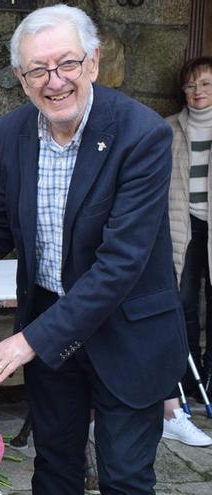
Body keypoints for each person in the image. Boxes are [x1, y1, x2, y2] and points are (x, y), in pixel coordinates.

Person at [0, 5, 188, 494]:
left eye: (67, 63)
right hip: (50, 322)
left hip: (127, 331)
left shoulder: (142, 135)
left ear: (92, 62)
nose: (55, 81)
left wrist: (28, 342)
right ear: (20, 78)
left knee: (126, 479)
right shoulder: (12, 133)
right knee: (54, 469)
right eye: (38, 70)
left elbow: (120, 266)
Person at [159, 56, 212, 447]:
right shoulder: (168, 129)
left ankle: (211, 378)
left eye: (206, 85)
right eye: (192, 86)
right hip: (182, 224)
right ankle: (185, 382)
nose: (197, 92)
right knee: (182, 304)